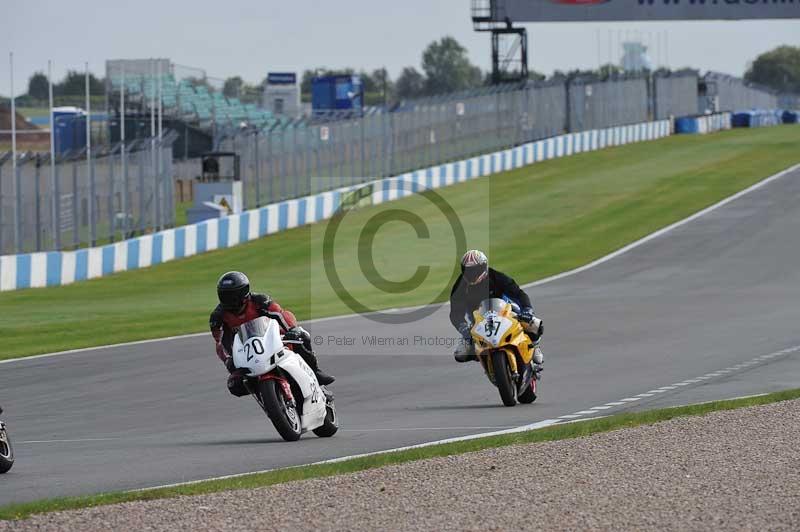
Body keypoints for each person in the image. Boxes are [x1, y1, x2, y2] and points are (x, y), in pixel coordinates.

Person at [210, 271, 335, 397]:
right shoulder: (218, 317)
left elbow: (281, 314)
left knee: (302, 336)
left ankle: (315, 372)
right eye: (224, 296)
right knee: (235, 385)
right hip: (247, 353)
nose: (229, 301)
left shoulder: (259, 301)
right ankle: (267, 397)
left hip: (273, 341)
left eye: (233, 296)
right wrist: (228, 359)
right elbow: (220, 343)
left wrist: (292, 329)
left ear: (243, 293)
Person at [449, 250, 544, 368]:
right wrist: (463, 328)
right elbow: (455, 314)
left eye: (475, 270)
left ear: (484, 267)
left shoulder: (496, 277)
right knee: (461, 354)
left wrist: (527, 309)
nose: (472, 274)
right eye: (468, 270)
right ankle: (486, 359)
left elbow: (519, 293)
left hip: (506, 313)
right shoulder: (460, 287)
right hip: (479, 321)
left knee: (535, 324)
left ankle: (534, 346)